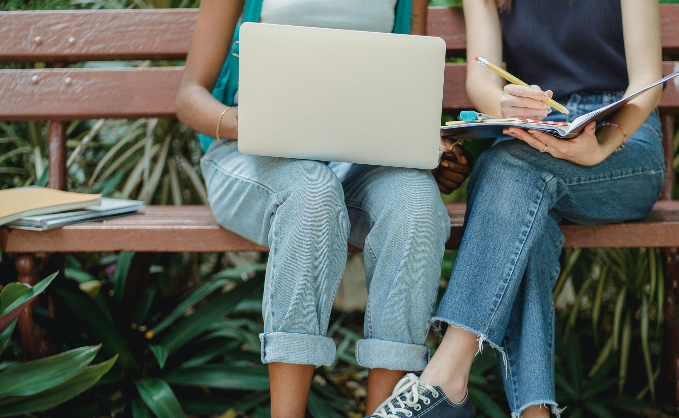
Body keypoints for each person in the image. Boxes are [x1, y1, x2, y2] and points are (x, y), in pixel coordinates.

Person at [174, 1, 472, 417]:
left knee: (417, 203)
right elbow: (190, 96)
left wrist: (425, 148)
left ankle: (385, 413)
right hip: (252, 156)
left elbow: (407, 88)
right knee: (312, 192)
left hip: (359, 157)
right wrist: (258, 124)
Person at [370, 0, 665, 417]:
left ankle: (445, 377)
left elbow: (648, 82)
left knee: (505, 167)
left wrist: (600, 145)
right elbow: (482, 82)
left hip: (621, 137)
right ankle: (533, 413)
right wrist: (506, 105)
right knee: (526, 216)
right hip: (536, 134)